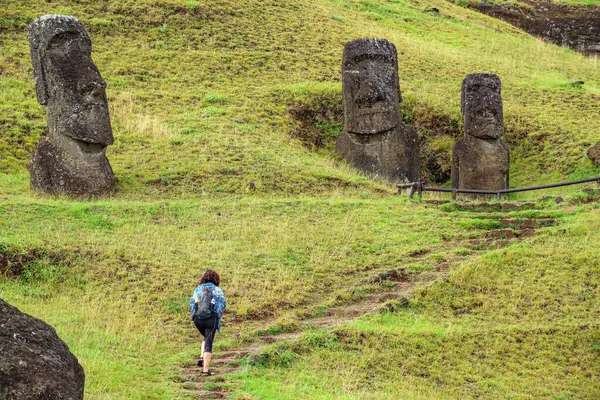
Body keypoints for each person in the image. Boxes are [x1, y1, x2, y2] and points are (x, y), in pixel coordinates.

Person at [190, 269, 226, 376]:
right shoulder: (217, 290)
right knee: (209, 342)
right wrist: (216, 314)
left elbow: (192, 303)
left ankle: (202, 357)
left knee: (206, 337)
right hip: (211, 319)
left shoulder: (198, 289)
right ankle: (205, 371)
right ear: (216, 278)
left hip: (197, 319)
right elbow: (222, 304)